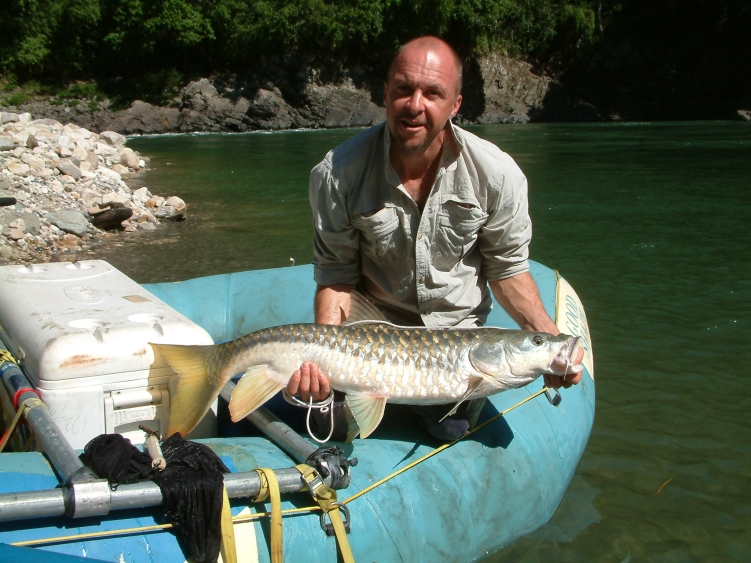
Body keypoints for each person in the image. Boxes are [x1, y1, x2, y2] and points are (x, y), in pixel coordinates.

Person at [286, 36, 584, 440]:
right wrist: (325, 357)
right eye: (404, 90)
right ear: (386, 93)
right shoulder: (336, 173)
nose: (415, 105)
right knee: (329, 425)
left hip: (456, 338)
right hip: (371, 332)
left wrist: (550, 345)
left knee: (453, 428)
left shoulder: (497, 175)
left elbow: (508, 270)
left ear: (455, 104)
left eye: (433, 93)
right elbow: (337, 275)